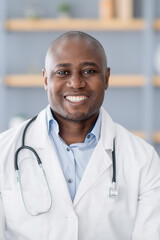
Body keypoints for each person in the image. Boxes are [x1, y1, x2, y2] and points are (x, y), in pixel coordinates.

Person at [0, 31, 160, 240]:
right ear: (46, 79)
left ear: (106, 78)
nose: (76, 83)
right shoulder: (4, 150)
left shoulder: (143, 159)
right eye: (63, 72)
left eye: (88, 71)